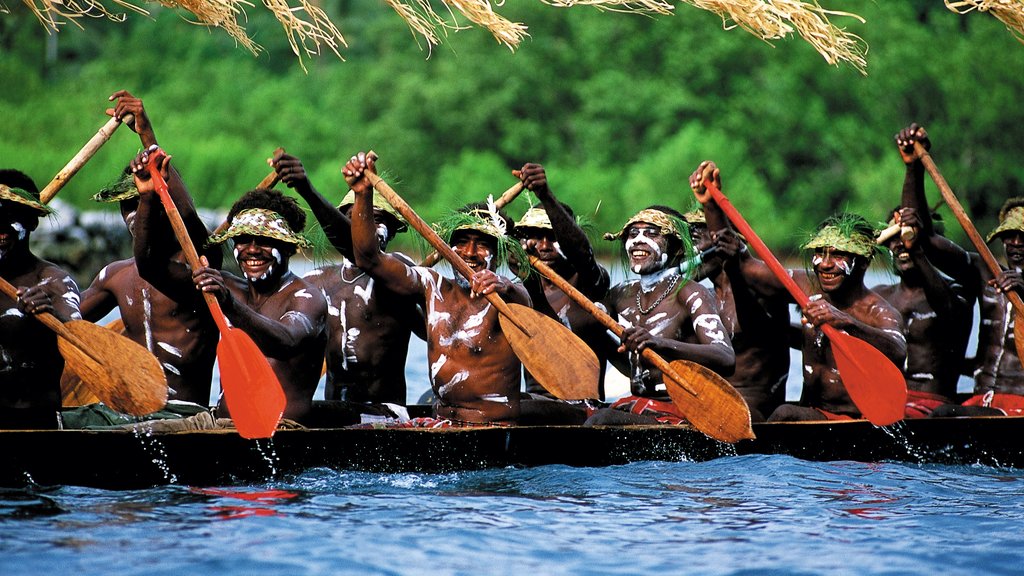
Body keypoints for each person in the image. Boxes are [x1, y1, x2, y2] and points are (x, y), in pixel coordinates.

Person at [692, 161, 906, 421]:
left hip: (853, 419)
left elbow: (897, 351)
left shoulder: (877, 311)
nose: (825, 264)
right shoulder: (805, 287)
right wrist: (711, 205)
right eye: (819, 254)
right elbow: (742, 264)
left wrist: (846, 322)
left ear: (863, 262)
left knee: (783, 414)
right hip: (812, 412)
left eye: (837, 255)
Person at [131, 147, 328, 425]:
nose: (253, 250)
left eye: (265, 241)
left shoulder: (306, 298)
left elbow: (285, 342)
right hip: (219, 424)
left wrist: (229, 306)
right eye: (244, 240)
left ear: (290, 248)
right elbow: (150, 267)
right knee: (140, 438)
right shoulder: (228, 289)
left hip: (282, 428)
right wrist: (148, 197)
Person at [345, 151, 531, 426]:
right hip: (442, 424)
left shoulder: (510, 299)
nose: (470, 252)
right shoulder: (432, 286)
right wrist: (362, 194)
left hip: (492, 429)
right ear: (448, 249)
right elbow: (368, 259)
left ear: (498, 255)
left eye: (482, 244)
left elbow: (520, 295)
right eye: (462, 241)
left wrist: (500, 284)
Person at [75, 91, 220, 407]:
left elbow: (188, 219)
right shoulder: (113, 276)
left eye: (143, 203)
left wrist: (147, 137)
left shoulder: (198, 267)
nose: (135, 214)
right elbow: (65, 322)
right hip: (131, 418)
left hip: (187, 417)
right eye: (128, 206)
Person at [271, 151, 424, 424]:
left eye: (377, 220)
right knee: (291, 408)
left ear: (392, 229)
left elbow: (431, 334)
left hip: (387, 413)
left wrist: (305, 188)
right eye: (357, 218)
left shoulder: (401, 276)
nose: (367, 226)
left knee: (301, 413)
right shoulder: (316, 281)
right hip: (334, 411)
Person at [584, 205, 735, 425]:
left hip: (681, 411)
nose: (638, 241)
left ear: (677, 247)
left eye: (652, 233)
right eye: (632, 234)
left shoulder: (690, 292)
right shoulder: (620, 294)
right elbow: (589, 328)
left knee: (601, 421)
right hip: (639, 406)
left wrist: (657, 343)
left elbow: (725, 357)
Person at [870, 125, 974, 417]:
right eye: (894, 240)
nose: (902, 246)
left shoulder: (957, 294)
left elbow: (948, 310)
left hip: (932, 405)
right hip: (887, 403)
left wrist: (913, 169)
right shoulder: (876, 297)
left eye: (907, 238)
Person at [510, 163, 610, 423]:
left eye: (552, 237)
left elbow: (582, 254)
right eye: (535, 236)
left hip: (583, 408)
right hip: (534, 404)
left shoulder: (589, 282)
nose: (544, 247)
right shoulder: (516, 290)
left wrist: (545, 194)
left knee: (515, 406)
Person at [682, 207, 789, 422]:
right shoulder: (698, 299)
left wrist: (735, 269)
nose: (686, 253)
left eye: (693, 241)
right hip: (708, 403)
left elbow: (751, 320)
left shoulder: (765, 292)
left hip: (756, 411)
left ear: (723, 246)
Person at [0, 169, 81, 429]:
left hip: (35, 427)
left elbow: (79, 341)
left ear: (33, 222)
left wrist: (49, 319)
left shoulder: (53, 282)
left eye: (10, 217)